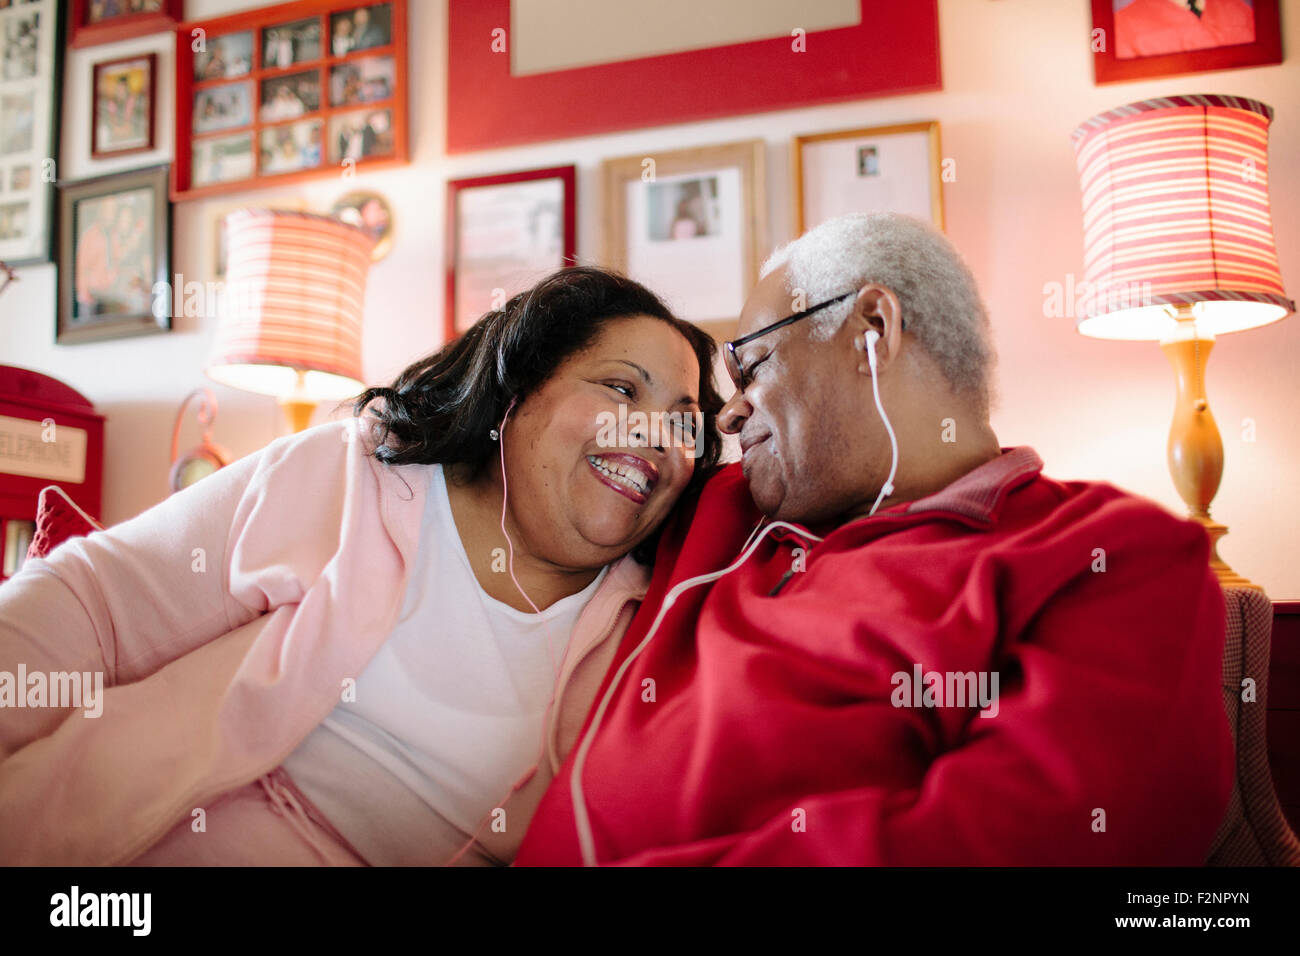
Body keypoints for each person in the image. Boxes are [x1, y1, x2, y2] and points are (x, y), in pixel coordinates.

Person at [513, 212, 1235, 865]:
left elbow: (1032, 838)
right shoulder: (724, 511)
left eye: (753, 367)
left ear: (873, 329)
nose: (728, 418)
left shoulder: (1111, 556)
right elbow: (524, 452)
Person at [0, 267, 724, 866]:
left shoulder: (659, 623)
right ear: (517, 391)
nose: (657, 435)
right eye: (622, 390)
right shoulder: (357, 476)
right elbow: (93, 605)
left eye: (684, 418)